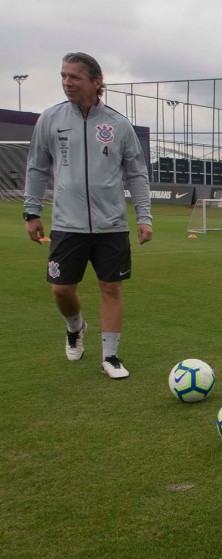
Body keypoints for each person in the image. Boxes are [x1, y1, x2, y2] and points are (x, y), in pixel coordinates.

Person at [24, 52, 153, 380]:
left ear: (97, 82)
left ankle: (110, 356)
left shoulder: (119, 124)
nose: (67, 82)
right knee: (61, 290)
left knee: (111, 287)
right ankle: (74, 327)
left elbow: (136, 174)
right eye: (64, 76)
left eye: (75, 77)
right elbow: (37, 167)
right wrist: (32, 210)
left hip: (111, 224)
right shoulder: (50, 119)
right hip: (67, 224)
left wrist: (144, 216)